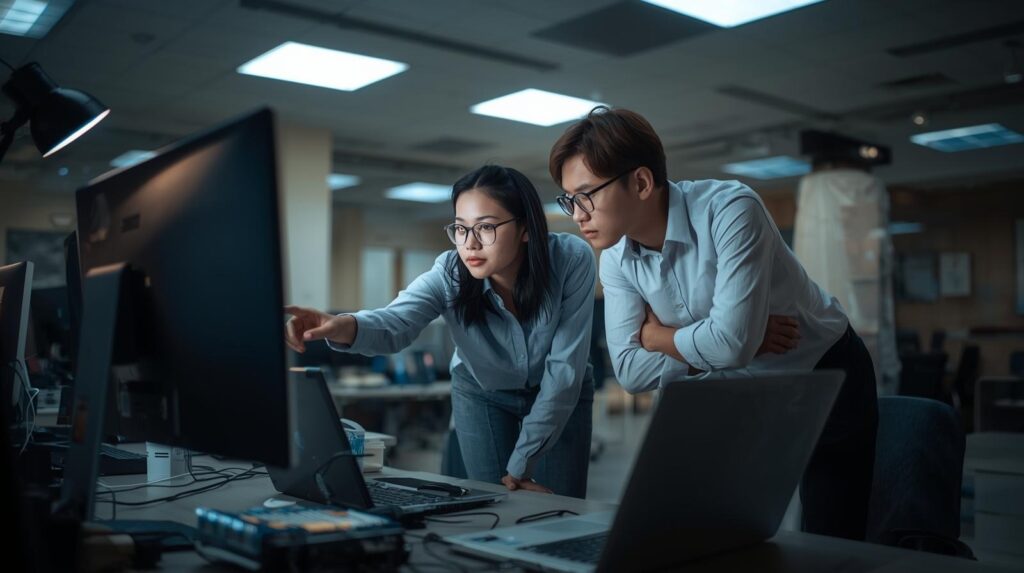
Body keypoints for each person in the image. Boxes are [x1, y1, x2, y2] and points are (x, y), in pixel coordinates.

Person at [549, 106, 879, 540]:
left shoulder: (730, 210)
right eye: (569, 199)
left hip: (824, 371)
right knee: (716, 529)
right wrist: (740, 339)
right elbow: (630, 371)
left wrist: (657, 336)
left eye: (587, 195)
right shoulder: (615, 258)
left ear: (642, 182)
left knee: (831, 535)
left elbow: (728, 344)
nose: (578, 214)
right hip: (734, 385)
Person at [285, 165, 596, 498]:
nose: (470, 244)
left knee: (560, 504)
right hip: (482, 391)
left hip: (562, 390)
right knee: (493, 502)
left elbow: (564, 371)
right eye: (461, 229)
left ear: (525, 228)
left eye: (486, 227)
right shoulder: (449, 272)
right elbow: (396, 321)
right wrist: (342, 324)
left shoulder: (570, 259)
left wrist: (520, 465)